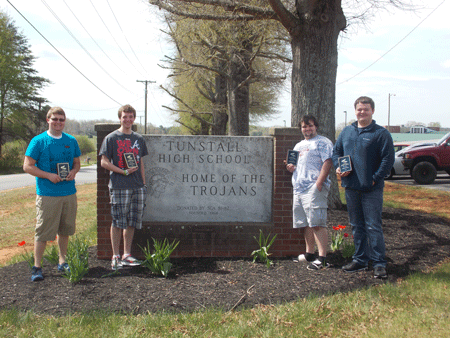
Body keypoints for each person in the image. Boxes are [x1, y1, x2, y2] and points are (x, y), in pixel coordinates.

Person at [332, 96, 395, 279]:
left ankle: (379, 263)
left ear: (372, 111)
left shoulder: (381, 134)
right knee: (356, 226)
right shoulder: (346, 132)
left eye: (366, 109)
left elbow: (387, 159)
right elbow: (337, 152)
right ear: (355, 111)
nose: (362, 112)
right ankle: (360, 260)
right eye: (359, 109)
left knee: (373, 226)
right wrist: (337, 165)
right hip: (351, 187)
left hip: (371, 189)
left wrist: (375, 178)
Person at [23, 107, 81, 281]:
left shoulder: (71, 141)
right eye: (55, 119)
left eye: (61, 120)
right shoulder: (38, 141)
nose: (58, 122)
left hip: (68, 192)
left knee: (65, 230)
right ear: (48, 120)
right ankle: (37, 267)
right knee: (43, 232)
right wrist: (48, 175)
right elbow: (27, 165)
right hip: (48, 194)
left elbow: (77, 163)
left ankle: (62, 262)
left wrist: (74, 172)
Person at [99, 104, 148, 270]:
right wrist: (123, 171)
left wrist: (143, 183)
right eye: (124, 117)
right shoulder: (111, 138)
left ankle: (127, 254)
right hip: (119, 185)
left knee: (132, 221)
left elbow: (141, 162)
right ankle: (115, 256)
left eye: (130, 117)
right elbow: (104, 162)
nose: (127, 120)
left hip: (137, 186)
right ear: (120, 118)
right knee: (118, 221)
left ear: (134, 118)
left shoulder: (138, 139)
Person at [286, 115, 333, 270]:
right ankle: (309, 254)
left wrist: (319, 182)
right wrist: (291, 168)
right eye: (304, 127)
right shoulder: (299, 145)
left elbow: (328, 161)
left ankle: (322, 258)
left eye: (310, 126)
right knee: (306, 222)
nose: (307, 129)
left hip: (314, 187)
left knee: (317, 222)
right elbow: (295, 165)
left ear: (316, 126)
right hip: (299, 188)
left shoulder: (323, 142)